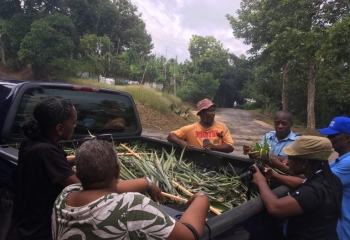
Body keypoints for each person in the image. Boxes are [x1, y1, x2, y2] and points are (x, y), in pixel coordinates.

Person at [52, 140, 210, 240]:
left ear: (78, 174)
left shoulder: (65, 195)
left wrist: (148, 183)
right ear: (117, 171)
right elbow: (188, 237)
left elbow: (113, 189)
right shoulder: (133, 206)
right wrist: (202, 198)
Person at [11, 96, 81, 240]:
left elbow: (47, 168)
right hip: (38, 230)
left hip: (24, 223)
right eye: (73, 122)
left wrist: (75, 160)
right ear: (60, 128)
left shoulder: (31, 140)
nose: (75, 126)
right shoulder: (47, 151)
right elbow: (78, 185)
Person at [252, 136, 342, 240]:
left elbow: (275, 207)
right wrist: (274, 176)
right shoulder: (329, 178)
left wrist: (260, 181)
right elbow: (302, 182)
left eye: (290, 158)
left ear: (305, 163)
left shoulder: (313, 191)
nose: (287, 162)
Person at [318, 116, 350, 240]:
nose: (328, 139)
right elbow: (319, 173)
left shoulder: (348, 162)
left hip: (343, 229)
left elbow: (319, 182)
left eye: (332, 136)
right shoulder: (340, 159)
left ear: (347, 138)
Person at [243, 110, 301, 174]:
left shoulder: (297, 141)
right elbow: (258, 156)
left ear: (291, 124)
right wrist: (251, 152)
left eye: (284, 123)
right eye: (277, 123)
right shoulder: (268, 136)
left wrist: (266, 156)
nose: (280, 126)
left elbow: (294, 160)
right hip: (265, 173)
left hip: (284, 177)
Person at [167, 98, 234, 153]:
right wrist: (181, 142)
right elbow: (170, 136)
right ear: (201, 113)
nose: (213, 113)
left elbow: (230, 148)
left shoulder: (222, 127)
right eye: (210, 111)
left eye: (213, 111)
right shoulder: (190, 129)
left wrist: (214, 147)